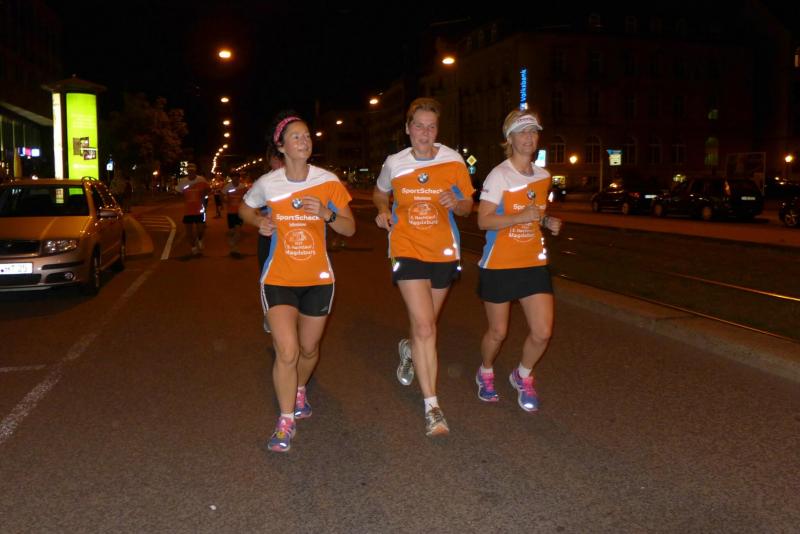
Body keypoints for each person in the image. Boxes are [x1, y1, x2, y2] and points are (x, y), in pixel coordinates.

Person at [239, 111, 355, 453]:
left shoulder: (328, 181)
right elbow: (244, 208)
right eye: (296, 137)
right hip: (278, 277)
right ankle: (285, 420)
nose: (304, 141)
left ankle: (299, 388)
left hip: (318, 279)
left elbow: (349, 228)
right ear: (281, 146)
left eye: (307, 136)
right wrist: (258, 221)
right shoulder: (268, 183)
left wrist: (326, 213)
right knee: (287, 351)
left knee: (308, 350)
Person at [373, 97, 474, 437]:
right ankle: (432, 407)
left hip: (443, 251)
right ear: (408, 128)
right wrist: (382, 210)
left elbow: (467, 206)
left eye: (431, 127)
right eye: (419, 126)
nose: (425, 133)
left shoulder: (453, 161)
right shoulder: (395, 163)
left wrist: (456, 202)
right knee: (426, 327)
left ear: (437, 130)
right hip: (407, 248)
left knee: (425, 325)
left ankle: (408, 347)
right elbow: (379, 193)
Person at [474, 109, 562, 412]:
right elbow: (483, 220)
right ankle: (486, 371)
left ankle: (522, 376)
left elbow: (535, 213)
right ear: (509, 139)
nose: (529, 137)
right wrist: (519, 217)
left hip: (532, 262)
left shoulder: (543, 176)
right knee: (498, 332)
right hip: (499, 263)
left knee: (543, 332)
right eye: (522, 132)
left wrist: (547, 221)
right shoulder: (499, 175)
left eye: (533, 131)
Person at [258, 148, 285, 334]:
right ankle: (270, 314)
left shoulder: (302, 180)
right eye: (276, 160)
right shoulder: (265, 183)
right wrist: (260, 220)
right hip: (269, 238)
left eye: (282, 159)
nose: (280, 163)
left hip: (293, 239)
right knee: (269, 278)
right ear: (270, 161)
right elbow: (249, 209)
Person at [175, 163, 210, 255]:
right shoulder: (183, 181)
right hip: (188, 211)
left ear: (195, 171)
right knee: (189, 233)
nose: (191, 172)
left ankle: (200, 239)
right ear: (187, 171)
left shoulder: (201, 179)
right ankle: (193, 247)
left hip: (199, 210)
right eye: (189, 171)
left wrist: (204, 195)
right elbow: (178, 192)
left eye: (192, 171)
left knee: (201, 230)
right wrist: (182, 195)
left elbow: (208, 189)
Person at [223, 172, 248, 256]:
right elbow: (221, 195)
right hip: (230, 212)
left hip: (240, 212)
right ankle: (233, 248)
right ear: (231, 178)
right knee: (232, 231)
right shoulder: (227, 187)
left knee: (238, 231)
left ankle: (235, 248)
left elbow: (248, 196)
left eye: (237, 178)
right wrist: (226, 201)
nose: (235, 179)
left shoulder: (243, 187)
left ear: (239, 178)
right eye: (233, 178)